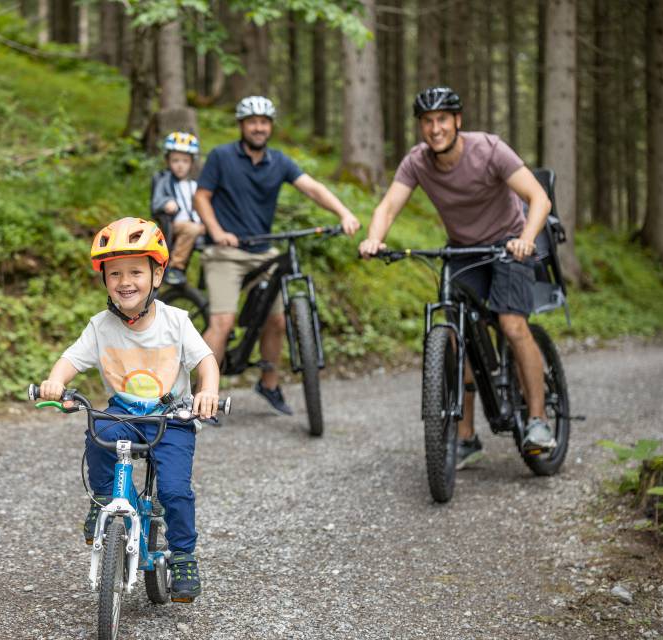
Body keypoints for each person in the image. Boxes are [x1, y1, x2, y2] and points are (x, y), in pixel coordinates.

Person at [358, 86, 557, 468]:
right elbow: (388, 205)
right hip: (462, 250)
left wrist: (526, 240)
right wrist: (374, 239)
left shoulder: (489, 149)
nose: (435, 129)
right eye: (427, 122)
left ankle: (538, 421)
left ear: (457, 122)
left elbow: (538, 198)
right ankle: (466, 438)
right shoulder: (417, 161)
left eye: (442, 120)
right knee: (452, 339)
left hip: (507, 245)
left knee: (513, 325)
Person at [37, 217, 220, 602]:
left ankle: (184, 555)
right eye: (115, 273)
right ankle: (104, 499)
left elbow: (206, 362)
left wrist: (209, 392)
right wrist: (56, 381)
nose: (125, 281)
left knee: (174, 490)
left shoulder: (176, 321)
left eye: (136, 271)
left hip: (172, 418)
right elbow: (71, 359)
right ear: (104, 280)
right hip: (124, 412)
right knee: (99, 434)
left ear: (157, 274)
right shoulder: (101, 326)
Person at [194, 96, 360, 415]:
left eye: (264, 122)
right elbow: (202, 196)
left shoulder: (279, 162)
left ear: (270, 127)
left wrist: (343, 212)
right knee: (223, 322)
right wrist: (215, 231)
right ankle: (204, 397)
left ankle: (269, 383)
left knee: (278, 319)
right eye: (252, 121)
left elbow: (312, 188)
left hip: (263, 250)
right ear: (242, 125)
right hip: (225, 251)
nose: (259, 127)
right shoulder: (221, 156)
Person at [152, 131, 206, 286]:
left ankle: (206, 277)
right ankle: (176, 268)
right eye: (175, 160)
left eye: (185, 161)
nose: (180, 165)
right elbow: (157, 202)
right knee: (191, 229)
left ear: (191, 163)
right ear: (168, 160)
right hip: (175, 224)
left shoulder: (194, 184)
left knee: (215, 233)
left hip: (195, 224)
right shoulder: (164, 180)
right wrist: (166, 203)